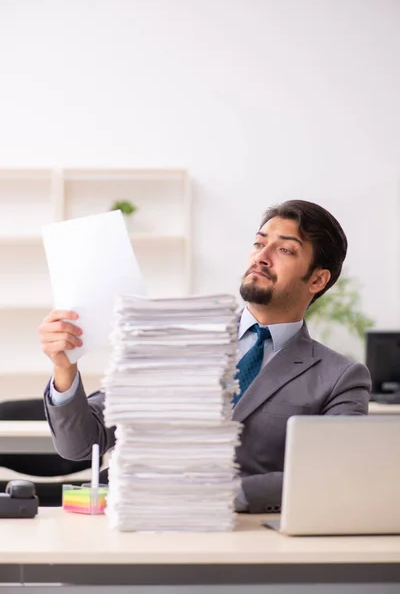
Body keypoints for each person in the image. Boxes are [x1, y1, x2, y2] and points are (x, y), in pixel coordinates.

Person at [40, 200, 371, 514]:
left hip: (252, 539)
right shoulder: (176, 337)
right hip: (145, 525)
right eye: (258, 244)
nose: (262, 257)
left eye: (284, 249)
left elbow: (334, 473)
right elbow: (81, 445)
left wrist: (223, 495)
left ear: (317, 279)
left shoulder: (339, 377)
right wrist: (64, 369)